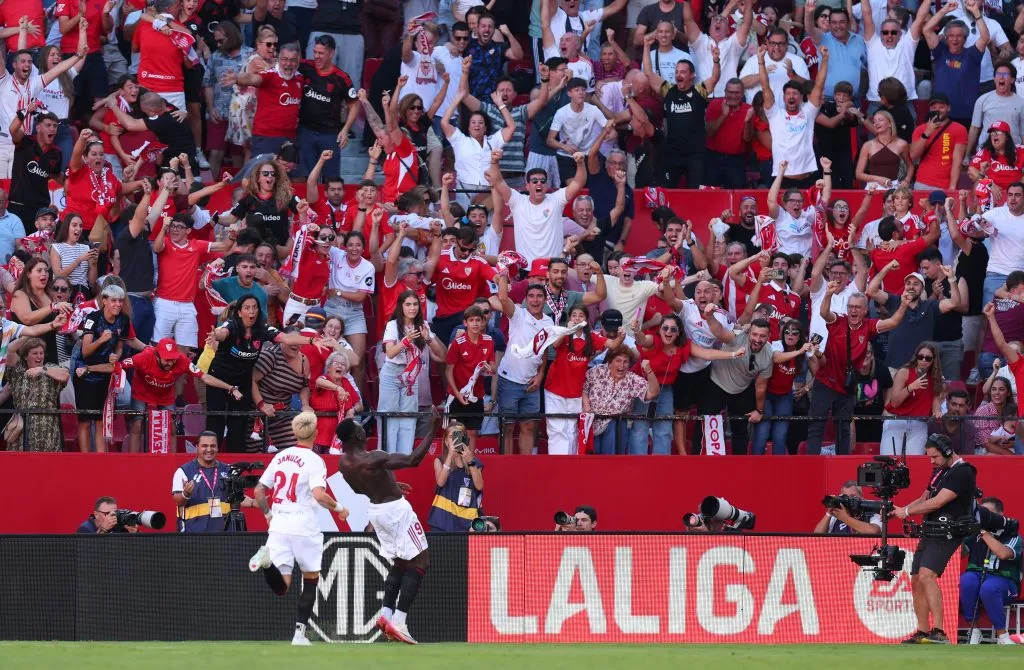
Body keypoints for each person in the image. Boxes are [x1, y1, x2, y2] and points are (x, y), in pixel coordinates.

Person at [336, 412, 440, 645]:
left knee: (400, 563)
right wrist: (433, 428)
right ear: (357, 436)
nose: (364, 429)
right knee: (421, 562)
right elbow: (413, 460)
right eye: (360, 427)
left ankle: (386, 615)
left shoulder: (344, 463)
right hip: (396, 511)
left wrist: (388, 485)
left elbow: (358, 489)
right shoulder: (374, 457)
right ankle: (400, 622)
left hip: (376, 511)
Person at [249, 412, 350, 646]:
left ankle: (266, 563)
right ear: (316, 433)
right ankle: (299, 635)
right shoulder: (315, 461)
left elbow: (258, 491)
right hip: (305, 526)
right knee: (311, 578)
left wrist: (268, 514)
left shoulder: (281, 457)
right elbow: (319, 495)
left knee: (282, 587)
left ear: (294, 432)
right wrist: (340, 508)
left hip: (279, 525)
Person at [893, 434, 978, 645]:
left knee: (927, 576)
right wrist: (900, 510)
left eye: (934, 457)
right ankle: (922, 631)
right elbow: (924, 498)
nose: (931, 461)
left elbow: (938, 502)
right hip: (931, 529)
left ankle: (939, 631)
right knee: (916, 578)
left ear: (948, 452)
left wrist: (907, 512)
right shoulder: (940, 471)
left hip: (948, 531)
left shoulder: (963, 471)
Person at [205, 295, 317, 452]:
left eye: (254, 307)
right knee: (216, 420)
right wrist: (215, 335)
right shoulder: (232, 324)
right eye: (247, 308)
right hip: (219, 380)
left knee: (238, 424)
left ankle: (236, 465)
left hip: (242, 382)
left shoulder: (262, 329)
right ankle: (210, 460)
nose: (251, 311)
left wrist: (312, 341)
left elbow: (286, 338)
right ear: (239, 312)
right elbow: (222, 333)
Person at [808, 286, 909, 455]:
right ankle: (811, 463)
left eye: (857, 307)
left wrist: (904, 304)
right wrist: (828, 294)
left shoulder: (868, 326)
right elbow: (824, 313)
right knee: (816, 425)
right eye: (850, 307)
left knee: (844, 428)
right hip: (826, 380)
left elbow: (893, 322)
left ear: (865, 311)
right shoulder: (838, 321)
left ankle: (841, 463)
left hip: (847, 385)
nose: (853, 310)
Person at [121, 338, 241, 453]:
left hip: (165, 395)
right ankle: (133, 460)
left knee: (172, 427)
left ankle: (172, 461)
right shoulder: (145, 356)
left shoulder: (182, 360)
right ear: (157, 356)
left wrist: (230, 388)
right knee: (137, 424)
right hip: (142, 392)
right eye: (166, 360)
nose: (170, 363)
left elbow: (204, 377)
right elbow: (121, 366)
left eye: (172, 359)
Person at [74, 284, 142, 453]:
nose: (118, 304)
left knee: (101, 420)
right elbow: (85, 351)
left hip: (105, 372)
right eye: (114, 301)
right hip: (85, 373)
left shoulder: (124, 320)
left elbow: (119, 347)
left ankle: (101, 461)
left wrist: (116, 356)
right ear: (104, 301)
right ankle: (84, 461)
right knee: (84, 421)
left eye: (120, 301)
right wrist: (101, 340)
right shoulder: (93, 318)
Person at [494, 274, 554, 455]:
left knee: (529, 427)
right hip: (509, 380)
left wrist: (540, 375)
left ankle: (524, 465)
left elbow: (544, 351)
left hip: (531, 383)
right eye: (531, 296)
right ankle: (506, 465)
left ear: (545, 300)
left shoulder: (549, 321)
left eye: (539, 296)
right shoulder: (518, 314)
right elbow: (502, 298)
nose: (535, 300)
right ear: (526, 299)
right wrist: (503, 274)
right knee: (508, 427)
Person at [381, 290, 447, 454]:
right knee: (390, 416)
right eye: (408, 304)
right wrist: (406, 340)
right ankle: (387, 457)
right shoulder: (392, 325)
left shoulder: (423, 325)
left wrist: (428, 338)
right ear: (401, 306)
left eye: (415, 304)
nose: (412, 308)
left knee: (409, 417)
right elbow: (390, 353)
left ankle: (405, 456)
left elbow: (442, 355)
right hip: (392, 372)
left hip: (412, 374)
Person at [961, 496, 1022, 645]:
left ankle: (1003, 636)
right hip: (977, 576)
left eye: (988, 513)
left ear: (1000, 515)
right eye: (981, 513)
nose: (983, 517)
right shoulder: (974, 535)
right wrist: (958, 535)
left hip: (1004, 581)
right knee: (966, 580)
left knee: (989, 588)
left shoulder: (1013, 535)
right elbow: (960, 554)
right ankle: (974, 630)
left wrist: (984, 532)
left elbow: (1003, 553)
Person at [171, 431, 259, 532]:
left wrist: (253, 502)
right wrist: (185, 494)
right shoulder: (184, 471)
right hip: (194, 534)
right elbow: (178, 501)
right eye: (204, 446)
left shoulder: (227, 469)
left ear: (217, 448)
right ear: (197, 447)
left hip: (224, 534)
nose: (209, 449)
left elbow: (235, 496)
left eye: (213, 446)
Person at [583, 345, 660, 455]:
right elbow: (583, 388)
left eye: (625, 362)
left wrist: (649, 371)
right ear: (610, 362)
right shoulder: (597, 371)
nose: (622, 365)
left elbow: (653, 392)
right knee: (590, 459)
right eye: (618, 360)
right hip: (592, 421)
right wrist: (586, 406)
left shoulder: (631, 379)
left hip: (615, 423)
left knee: (610, 453)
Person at [5, 335, 70, 452]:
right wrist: (30, 333)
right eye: (34, 353)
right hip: (23, 427)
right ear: (25, 356)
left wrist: (42, 370)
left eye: (41, 353)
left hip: (47, 428)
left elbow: (65, 374)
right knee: (22, 461)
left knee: (48, 461)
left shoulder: (50, 368)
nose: (39, 357)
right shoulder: (18, 371)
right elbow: (10, 350)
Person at [880, 341, 944, 456]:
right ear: (916, 357)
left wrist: (937, 413)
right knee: (890, 459)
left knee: (914, 462)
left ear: (933, 360)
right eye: (920, 357)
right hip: (897, 421)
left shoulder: (935, 377)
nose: (923, 360)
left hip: (918, 424)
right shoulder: (904, 372)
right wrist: (910, 387)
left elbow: (935, 405)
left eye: (928, 358)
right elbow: (894, 403)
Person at [426, 422, 484, 532]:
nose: (455, 440)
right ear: (446, 441)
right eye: (452, 436)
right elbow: (440, 482)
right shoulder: (440, 461)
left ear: (465, 439)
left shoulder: (474, 462)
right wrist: (450, 455)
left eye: (459, 436)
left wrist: (470, 461)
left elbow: (479, 486)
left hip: (466, 520)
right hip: (443, 519)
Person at [910, 93, 966, 192]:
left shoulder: (959, 129)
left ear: (948, 108)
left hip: (945, 185)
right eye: (934, 107)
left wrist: (952, 187)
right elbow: (914, 155)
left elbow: (957, 162)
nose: (937, 110)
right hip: (922, 182)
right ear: (930, 109)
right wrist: (927, 133)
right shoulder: (920, 129)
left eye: (941, 107)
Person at [49, 213, 98, 299]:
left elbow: (92, 282)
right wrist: (78, 260)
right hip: (63, 291)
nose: (78, 229)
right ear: (67, 227)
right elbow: (58, 275)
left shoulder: (86, 248)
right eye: (74, 225)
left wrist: (94, 263)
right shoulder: (56, 247)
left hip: (83, 292)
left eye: (81, 226)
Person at [813, 481, 884, 535]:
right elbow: (817, 536)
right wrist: (828, 514)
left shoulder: (872, 512)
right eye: (845, 497)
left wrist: (845, 518)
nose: (849, 500)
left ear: (862, 497)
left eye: (853, 496)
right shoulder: (837, 515)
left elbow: (874, 532)